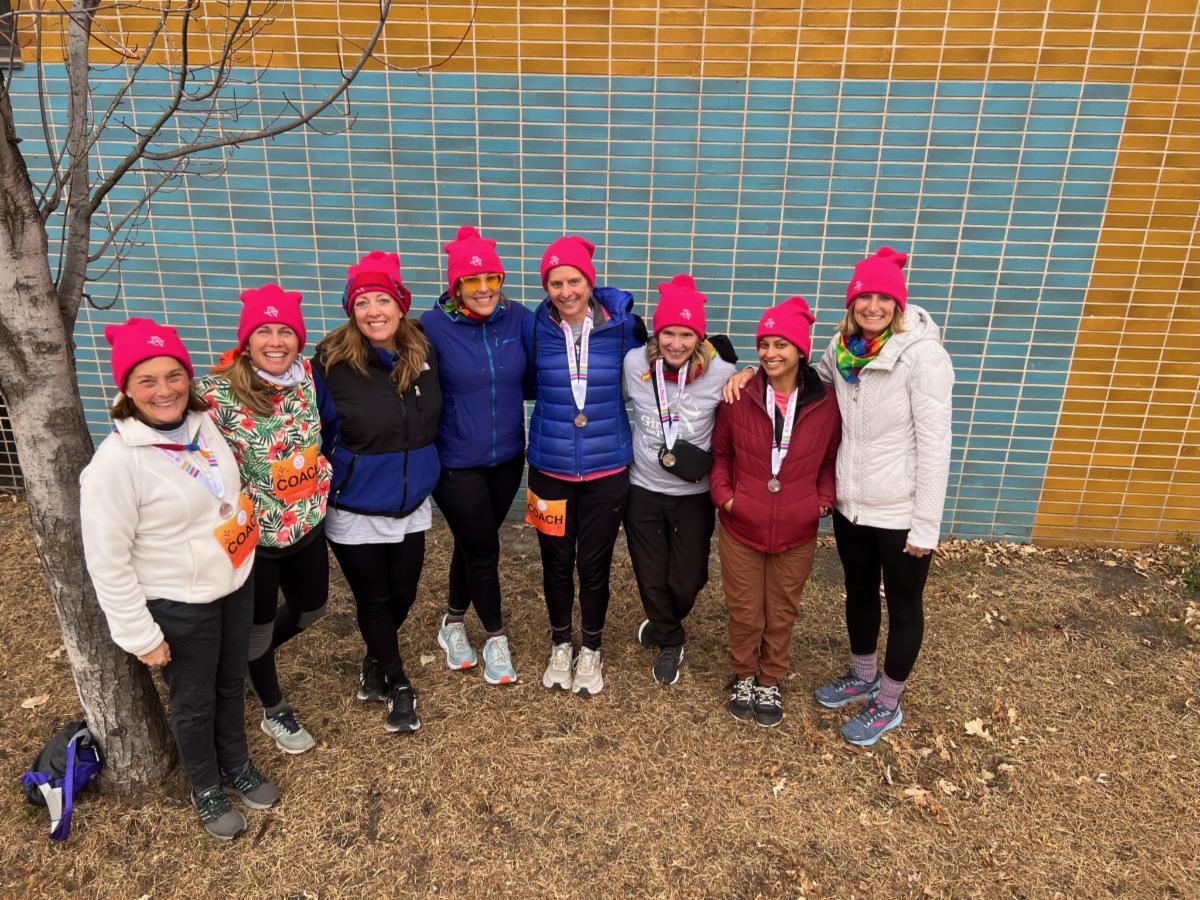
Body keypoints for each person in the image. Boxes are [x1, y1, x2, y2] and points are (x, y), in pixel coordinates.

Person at [80, 318, 279, 842]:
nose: (165, 390)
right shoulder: (114, 464)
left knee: (231, 681)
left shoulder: (202, 424)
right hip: (179, 602)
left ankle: (236, 763)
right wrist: (140, 635)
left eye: (174, 375)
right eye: (147, 380)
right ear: (127, 389)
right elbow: (106, 560)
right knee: (194, 700)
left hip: (233, 582)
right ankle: (206, 786)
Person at [811, 247, 953, 746]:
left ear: (898, 304)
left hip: (900, 511)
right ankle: (862, 674)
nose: (873, 306)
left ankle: (888, 702)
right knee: (859, 590)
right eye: (864, 297)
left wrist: (925, 526)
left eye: (884, 298)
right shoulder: (841, 349)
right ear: (851, 303)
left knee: (904, 603)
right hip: (852, 505)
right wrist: (748, 373)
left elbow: (935, 445)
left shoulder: (923, 356)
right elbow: (809, 386)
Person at [198, 284, 331, 754]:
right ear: (247, 340)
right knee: (257, 628)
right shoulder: (213, 393)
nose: (276, 342)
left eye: (285, 331)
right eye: (263, 331)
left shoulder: (309, 377)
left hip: (307, 522)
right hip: (256, 539)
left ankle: (240, 662)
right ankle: (274, 708)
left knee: (313, 608)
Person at [312, 250, 441, 734]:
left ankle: (374, 657)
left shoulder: (423, 353)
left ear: (400, 306)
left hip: (410, 502)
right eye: (362, 302)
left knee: (402, 594)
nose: (373, 311)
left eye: (382, 300)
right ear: (351, 310)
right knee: (373, 599)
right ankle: (398, 680)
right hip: (356, 504)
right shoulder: (329, 362)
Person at [710, 296, 840, 727]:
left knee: (782, 610)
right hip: (741, 525)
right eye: (764, 344)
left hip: (796, 528)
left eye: (781, 344)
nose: (770, 353)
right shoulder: (739, 396)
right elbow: (721, 456)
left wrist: (820, 501)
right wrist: (727, 498)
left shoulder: (826, 404)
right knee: (745, 610)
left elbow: (829, 461)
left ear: (800, 350)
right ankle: (745, 674)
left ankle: (770, 678)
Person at [523, 234, 644, 696]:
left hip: (606, 470)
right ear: (547, 287)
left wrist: (734, 365)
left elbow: (674, 353)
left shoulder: (625, 327)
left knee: (594, 565)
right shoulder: (535, 327)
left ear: (589, 283)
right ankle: (560, 644)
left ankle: (590, 648)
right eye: (555, 283)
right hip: (549, 469)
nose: (565, 291)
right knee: (555, 563)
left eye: (573, 281)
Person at [421, 226, 529, 685]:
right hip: (455, 461)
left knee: (473, 542)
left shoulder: (518, 317)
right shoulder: (431, 326)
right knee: (484, 549)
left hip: (507, 457)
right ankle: (495, 637)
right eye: (472, 280)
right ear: (456, 285)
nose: (483, 289)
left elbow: (567, 329)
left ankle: (451, 622)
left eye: (492, 278)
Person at [623, 274, 736, 686]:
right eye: (668, 333)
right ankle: (671, 639)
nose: (676, 343)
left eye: (686, 334)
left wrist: (746, 375)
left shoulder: (722, 372)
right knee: (650, 574)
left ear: (699, 337)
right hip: (642, 486)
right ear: (657, 333)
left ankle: (663, 619)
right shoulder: (634, 363)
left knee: (687, 580)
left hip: (693, 491)